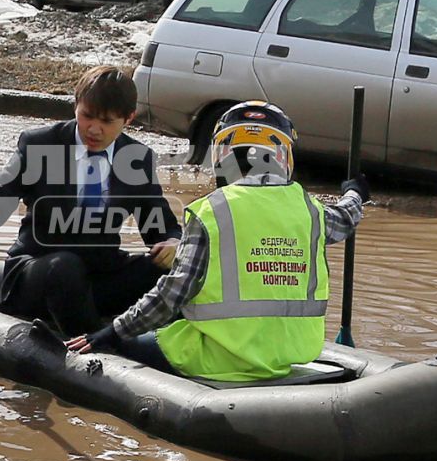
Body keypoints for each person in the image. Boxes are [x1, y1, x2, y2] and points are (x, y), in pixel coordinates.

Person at [65, 102, 366, 383]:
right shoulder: (310, 209)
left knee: (126, 342)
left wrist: (112, 332)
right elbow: (345, 216)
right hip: (291, 353)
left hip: (219, 360)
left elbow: (172, 294)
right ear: (283, 157)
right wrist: (356, 193)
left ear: (221, 155)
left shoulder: (211, 211)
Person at [0, 66, 180, 337]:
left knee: (168, 270)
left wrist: (173, 243)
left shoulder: (138, 158)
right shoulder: (39, 144)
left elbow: (160, 228)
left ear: (128, 119)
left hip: (99, 277)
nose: (94, 129)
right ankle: (94, 347)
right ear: (75, 105)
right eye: (87, 116)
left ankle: (167, 349)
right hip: (38, 273)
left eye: (107, 121)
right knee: (65, 267)